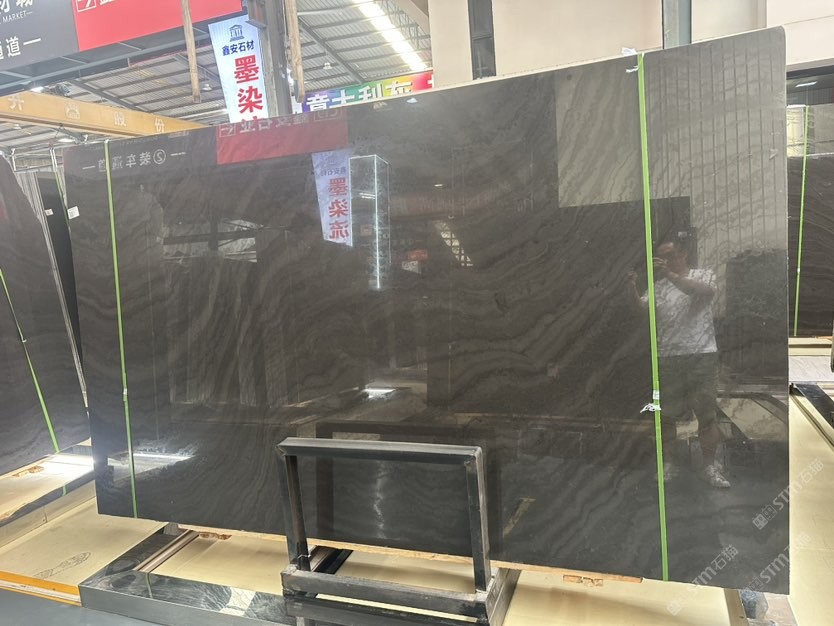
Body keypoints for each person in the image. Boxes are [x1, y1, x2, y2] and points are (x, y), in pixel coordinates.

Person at [628, 240, 730, 489]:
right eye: (661, 257)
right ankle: (668, 464)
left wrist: (670, 274)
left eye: (671, 255)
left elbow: (702, 292)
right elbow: (641, 310)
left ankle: (709, 467)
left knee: (707, 415)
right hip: (668, 356)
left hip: (702, 354)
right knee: (665, 416)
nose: (666, 260)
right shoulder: (658, 287)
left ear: (683, 253)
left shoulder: (702, 274)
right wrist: (631, 287)